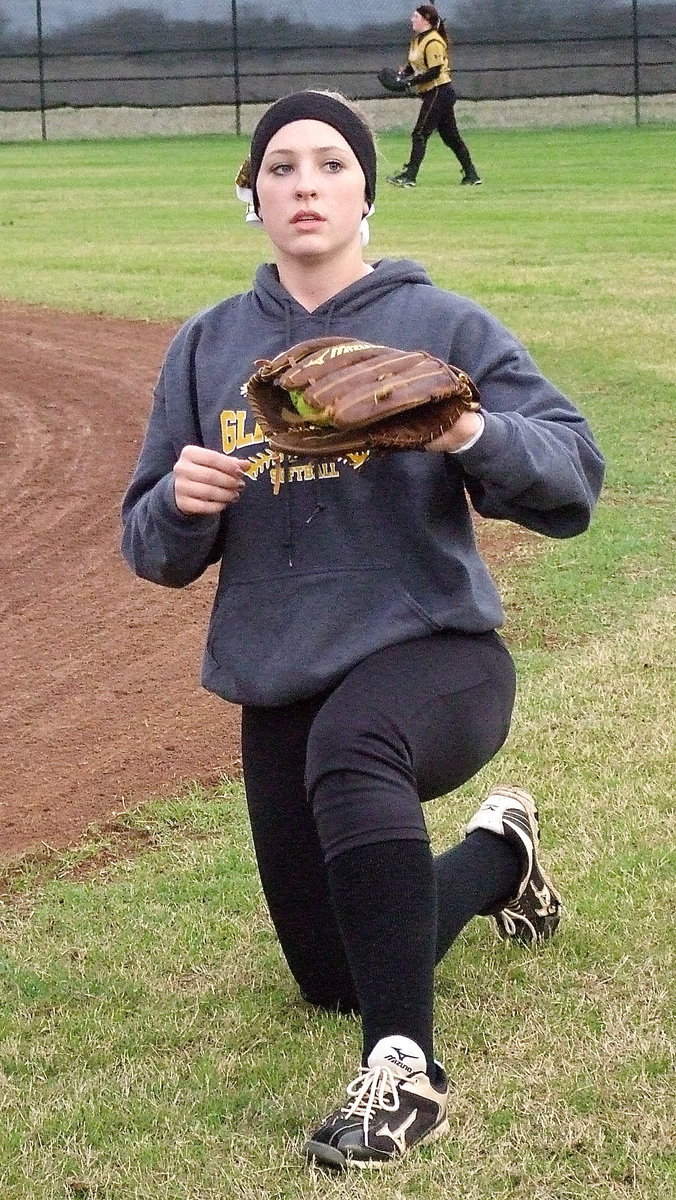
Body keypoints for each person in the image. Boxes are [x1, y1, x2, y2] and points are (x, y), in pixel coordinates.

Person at [121, 89, 604, 1171]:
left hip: (435, 655)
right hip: (283, 677)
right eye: (280, 167)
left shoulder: (440, 326)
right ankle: (497, 856)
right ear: (251, 196)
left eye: (330, 164)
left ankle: (405, 1075)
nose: (304, 185)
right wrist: (179, 503)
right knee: (334, 972)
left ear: (366, 192)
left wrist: (471, 428)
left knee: (358, 751)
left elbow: (574, 474)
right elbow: (150, 548)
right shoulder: (207, 348)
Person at [387, 5, 482, 188]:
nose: (412, 19)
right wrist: (402, 75)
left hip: (439, 91)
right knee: (450, 137)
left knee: (420, 134)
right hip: (434, 93)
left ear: (426, 19)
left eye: (416, 16)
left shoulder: (433, 41)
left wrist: (409, 83)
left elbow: (435, 71)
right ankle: (471, 174)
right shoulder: (418, 40)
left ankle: (410, 176)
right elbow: (414, 65)